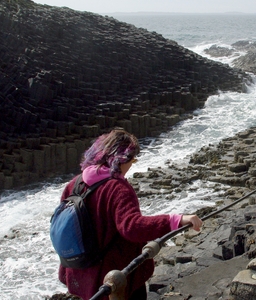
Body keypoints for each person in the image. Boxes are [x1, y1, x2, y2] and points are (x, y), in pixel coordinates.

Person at [58, 128, 203, 300]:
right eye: (132, 159)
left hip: (81, 270)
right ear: (120, 159)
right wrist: (176, 220)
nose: (131, 165)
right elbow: (132, 227)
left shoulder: (75, 183)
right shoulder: (117, 188)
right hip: (114, 276)